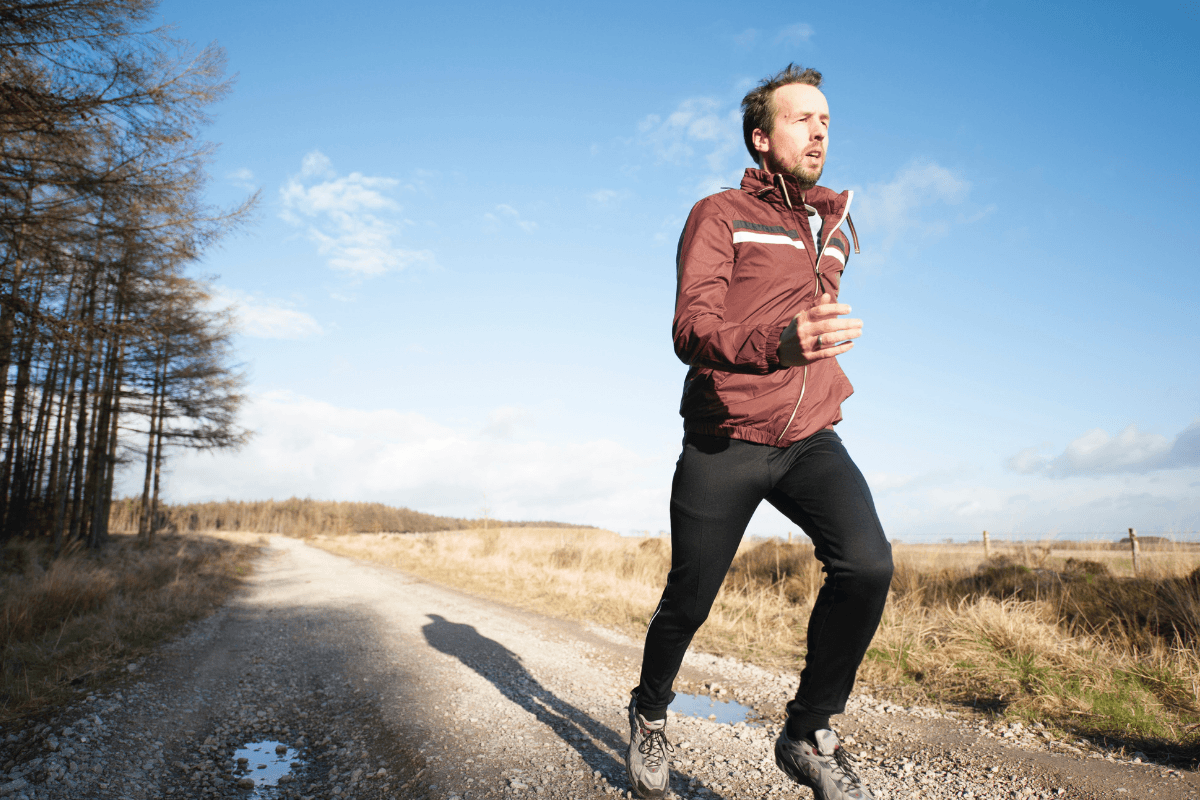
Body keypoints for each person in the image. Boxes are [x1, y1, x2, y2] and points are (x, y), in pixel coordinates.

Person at [625, 64, 893, 800]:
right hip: (727, 434)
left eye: (827, 121)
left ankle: (807, 730)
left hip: (808, 433)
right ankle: (650, 711)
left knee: (868, 565)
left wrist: (813, 345)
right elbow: (693, 326)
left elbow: (814, 319)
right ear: (761, 136)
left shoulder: (834, 227)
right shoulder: (719, 214)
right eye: (802, 118)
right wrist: (779, 341)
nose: (819, 131)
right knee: (691, 594)